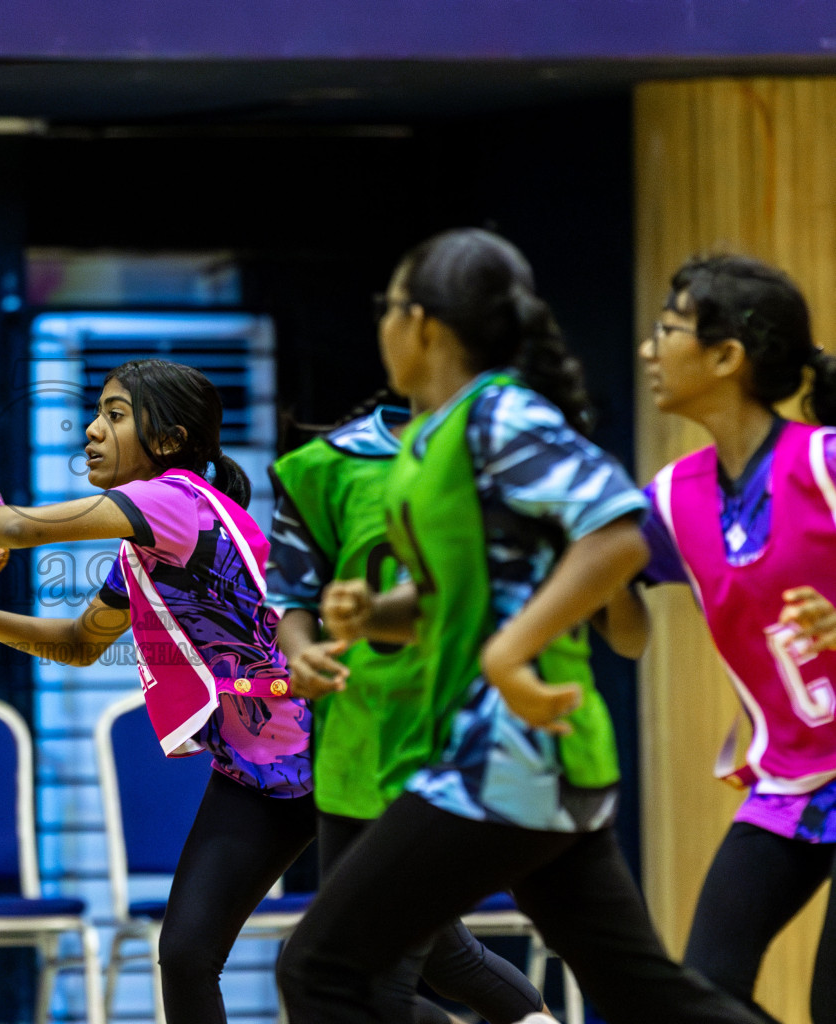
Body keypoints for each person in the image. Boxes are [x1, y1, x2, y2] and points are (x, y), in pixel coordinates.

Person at [273, 228, 771, 1024]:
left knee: (322, 968)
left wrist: (511, 650)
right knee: (647, 996)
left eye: (388, 309)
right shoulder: (432, 437)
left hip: (506, 752)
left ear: (425, 323)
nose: (382, 328)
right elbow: (460, 599)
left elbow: (614, 529)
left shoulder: (499, 414)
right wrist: (377, 612)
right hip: (536, 760)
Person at [0, 358, 313, 1024]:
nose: (91, 431)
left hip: (327, 749)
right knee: (185, 954)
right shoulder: (143, 549)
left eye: (114, 416)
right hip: (255, 771)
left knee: (410, 955)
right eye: (96, 413)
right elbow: (78, 643)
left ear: (172, 441)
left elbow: (19, 528)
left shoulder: (172, 500)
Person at [267, 391, 545, 1024]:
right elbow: (292, 600)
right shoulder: (324, 468)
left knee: (339, 975)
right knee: (435, 961)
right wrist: (302, 652)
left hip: (452, 750)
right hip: (354, 749)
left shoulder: (511, 457)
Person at [635, 253, 836, 1024]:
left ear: (726, 357)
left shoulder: (821, 464)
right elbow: (621, 622)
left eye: (669, 328)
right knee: (704, 992)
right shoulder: (673, 497)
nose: (650, 349)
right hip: (789, 781)